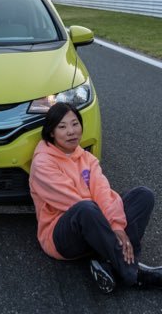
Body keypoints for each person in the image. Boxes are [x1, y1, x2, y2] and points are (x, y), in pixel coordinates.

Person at [29, 102, 162, 293]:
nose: (71, 132)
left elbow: (102, 192)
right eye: (62, 127)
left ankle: (108, 261)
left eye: (75, 124)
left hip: (97, 226)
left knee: (143, 196)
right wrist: (111, 224)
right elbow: (72, 201)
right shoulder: (43, 162)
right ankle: (134, 274)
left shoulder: (87, 158)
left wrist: (116, 225)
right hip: (62, 235)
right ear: (51, 132)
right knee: (85, 208)